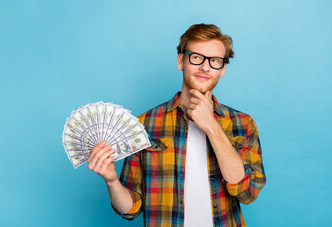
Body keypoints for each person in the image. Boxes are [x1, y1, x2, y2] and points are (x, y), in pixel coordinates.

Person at [86, 23, 266, 227]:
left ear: (222, 69)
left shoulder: (243, 124)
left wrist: (211, 126)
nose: (205, 67)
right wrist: (111, 180)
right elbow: (131, 209)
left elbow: (247, 193)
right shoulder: (144, 124)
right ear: (181, 61)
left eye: (215, 60)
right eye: (197, 57)